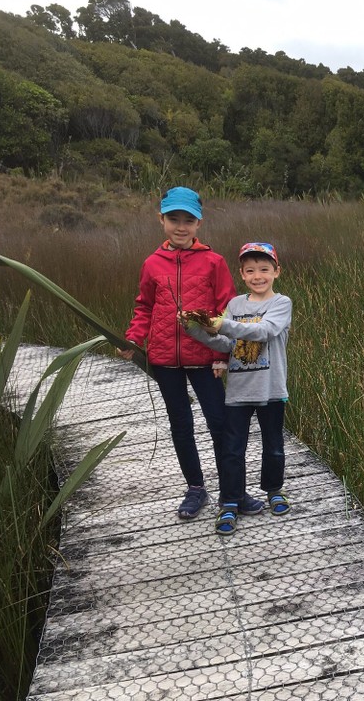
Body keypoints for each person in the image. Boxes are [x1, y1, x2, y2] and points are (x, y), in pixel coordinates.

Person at [118, 186, 251, 520]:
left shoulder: (213, 261)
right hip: (164, 360)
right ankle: (195, 488)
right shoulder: (151, 263)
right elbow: (144, 307)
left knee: (220, 423)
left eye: (188, 219)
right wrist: (133, 339)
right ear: (161, 219)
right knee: (181, 425)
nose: (181, 226)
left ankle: (232, 490)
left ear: (199, 223)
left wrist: (224, 355)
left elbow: (228, 311)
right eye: (173, 218)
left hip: (206, 358)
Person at [182, 242, 293, 536]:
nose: (258, 276)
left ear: (276, 272)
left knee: (274, 447)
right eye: (251, 270)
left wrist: (222, 324)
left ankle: (274, 490)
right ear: (242, 274)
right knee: (232, 450)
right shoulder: (234, 305)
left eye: (264, 270)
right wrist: (195, 329)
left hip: (271, 390)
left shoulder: (281, 303)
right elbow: (227, 344)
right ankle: (230, 500)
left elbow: (264, 331)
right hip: (239, 392)